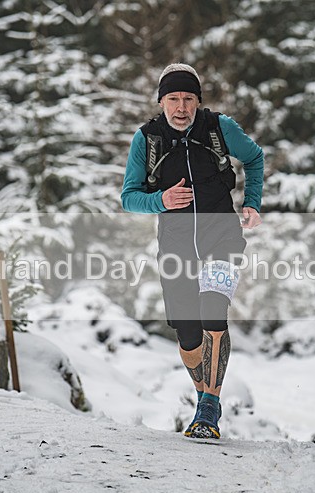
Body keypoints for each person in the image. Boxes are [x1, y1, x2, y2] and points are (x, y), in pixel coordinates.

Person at [121, 63, 264, 439]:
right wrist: (161, 199)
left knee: (213, 311)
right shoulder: (148, 140)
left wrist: (252, 202)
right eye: (173, 99)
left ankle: (208, 410)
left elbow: (254, 157)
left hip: (222, 237)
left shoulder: (219, 129)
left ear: (198, 101)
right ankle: (204, 394)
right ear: (162, 101)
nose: (181, 107)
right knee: (188, 335)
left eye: (188, 99)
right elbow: (129, 198)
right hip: (176, 243)